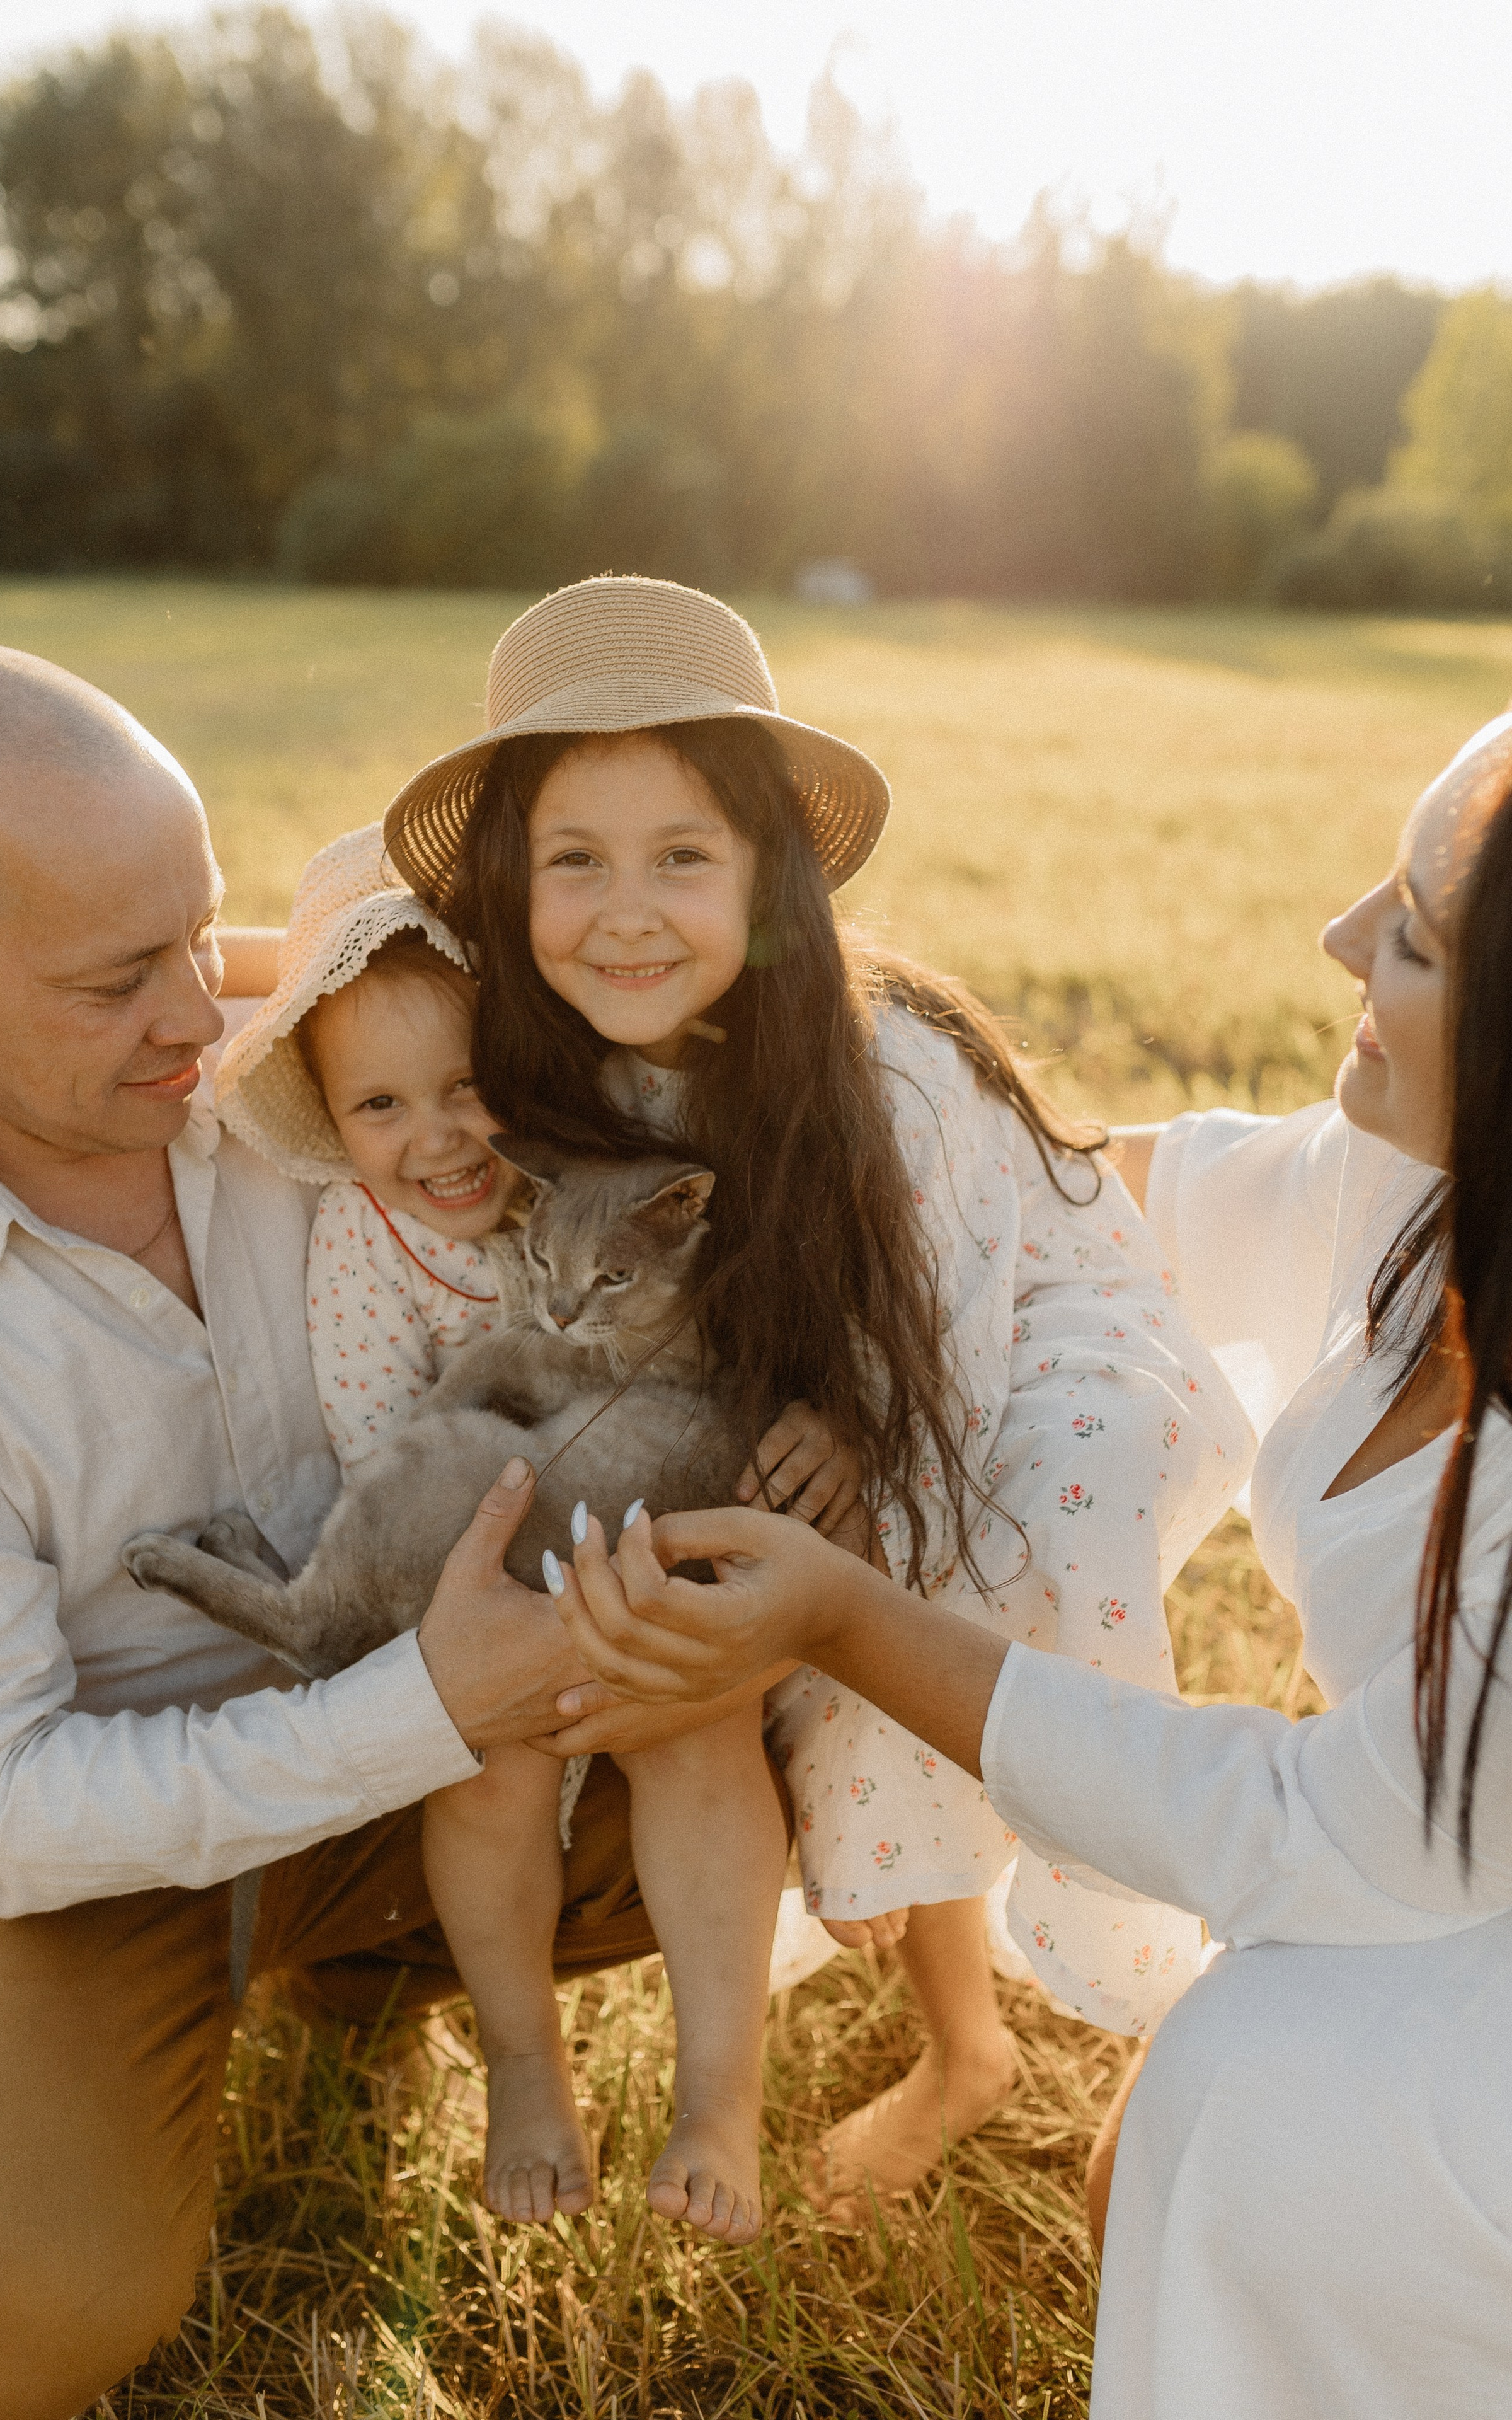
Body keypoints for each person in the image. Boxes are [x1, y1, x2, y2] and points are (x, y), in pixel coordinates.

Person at [553, 710, 1512, 2418]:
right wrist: (860, 1088)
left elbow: (1316, 1832)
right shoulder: (1414, 1180)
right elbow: (1084, 1191)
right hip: (1435, 1856)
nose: (1341, 937)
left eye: (1419, 936)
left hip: (1437, 1892)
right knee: (1180, 2148)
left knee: (1252, 2104)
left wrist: (849, 1617)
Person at [0, 642, 733, 2420]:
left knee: (759, 1711)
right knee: (28, 2318)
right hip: (73, 1830)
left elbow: (665, 970)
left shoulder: (309, 1070)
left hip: (415, 1718)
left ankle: (360, 1962)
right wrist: (430, 1707)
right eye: (124, 977)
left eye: (204, 936)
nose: (206, 1020)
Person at [381, 574, 1254, 2218]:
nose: (625, 912)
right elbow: (331, 953)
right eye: (576, 860)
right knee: (801, 1558)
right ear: (507, 882)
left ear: (768, 870)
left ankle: (1150, 2003)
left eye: (684, 857)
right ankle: (963, 2040)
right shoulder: (548, 1037)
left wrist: (858, 1442)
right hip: (844, 1381)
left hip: (1033, 1371)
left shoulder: (880, 1064)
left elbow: (950, 1331)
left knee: (924, 1588)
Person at [215, 822, 840, 2242]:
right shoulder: (364, 1252)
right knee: (481, 1771)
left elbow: (759, 1342)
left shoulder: (628, 1177)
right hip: (481, 1581)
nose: (434, 1138)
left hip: (663, 1539)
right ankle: (522, 2066)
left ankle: (716, 2095)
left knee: (702, 1731)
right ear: (329, 1118)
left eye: (467, 1088)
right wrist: (500, 1619)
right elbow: (392, 1458)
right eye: (378, 1108)